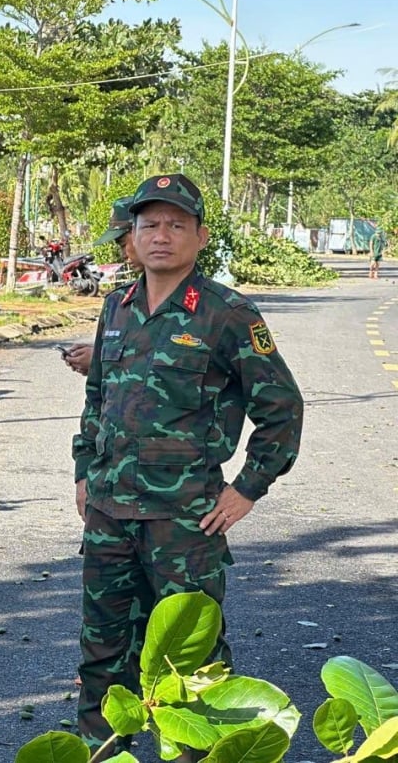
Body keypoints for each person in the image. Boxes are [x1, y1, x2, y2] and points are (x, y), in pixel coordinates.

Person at [70, 173, 304, 761]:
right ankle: (101, 752)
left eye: (177, 225)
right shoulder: (115, 307)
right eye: (150, 224)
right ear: (133, 235)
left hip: (185, 522)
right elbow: (97, 397)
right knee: (102, 650)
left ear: (200, 237)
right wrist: (83, 469)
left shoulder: (226, 313)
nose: (161, 236)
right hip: (109, 512)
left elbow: (281, 407)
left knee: (191, 659)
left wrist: (248, 488)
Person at [62, 197, 140, 376]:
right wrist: (97, 359)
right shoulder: (117, 301)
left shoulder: (212, 307)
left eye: (123, 244)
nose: (123, 255)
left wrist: (99, 360)